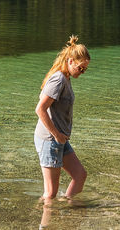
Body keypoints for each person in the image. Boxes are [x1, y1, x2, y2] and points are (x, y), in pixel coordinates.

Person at [34, 35, 90, 202]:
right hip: (50, 139)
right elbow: (40, 109)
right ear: (71, 61)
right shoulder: (58, 79)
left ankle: (67, 211)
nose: (82, 72)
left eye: (85, 69)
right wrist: (57, 134)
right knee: (50, 193)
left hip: (60, 140)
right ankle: (44, 223)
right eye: (81, 68)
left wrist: (60, 137)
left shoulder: (66, 78)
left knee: (80, 175)